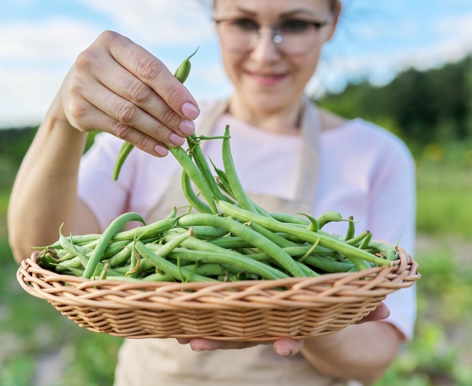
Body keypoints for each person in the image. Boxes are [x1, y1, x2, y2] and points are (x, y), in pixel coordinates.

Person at [8, 0, 417, 385]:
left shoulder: (378, 156)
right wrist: (61, 119)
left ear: (332, 20)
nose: (263, 53)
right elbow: (43, 250)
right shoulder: (149, 127)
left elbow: (377, 357)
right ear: (215, 17)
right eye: (243, 22)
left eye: (294, 25)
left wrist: (303, 313)